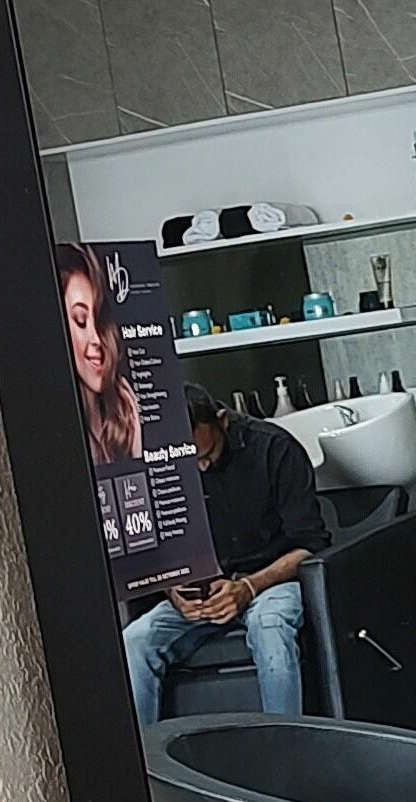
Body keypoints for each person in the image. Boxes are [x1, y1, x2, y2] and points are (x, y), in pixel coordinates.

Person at [122, 385, 330, 726]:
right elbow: (158, 551)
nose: (201, 467)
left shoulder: (275, 449)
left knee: (271, 628)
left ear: (222, 421)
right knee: (135, 641)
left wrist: (248, 587)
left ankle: (285, 745)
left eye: (206, 454)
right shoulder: (163, 463)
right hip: (207, 592)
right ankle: (146, 755)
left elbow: (310, 544)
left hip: (271, 581)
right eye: (190, 460)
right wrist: (174, 592)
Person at [56, 245, 141, 465]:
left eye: (99, 319)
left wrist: (136, 446)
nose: (96, 338)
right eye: (80, 320)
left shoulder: (121, 422)